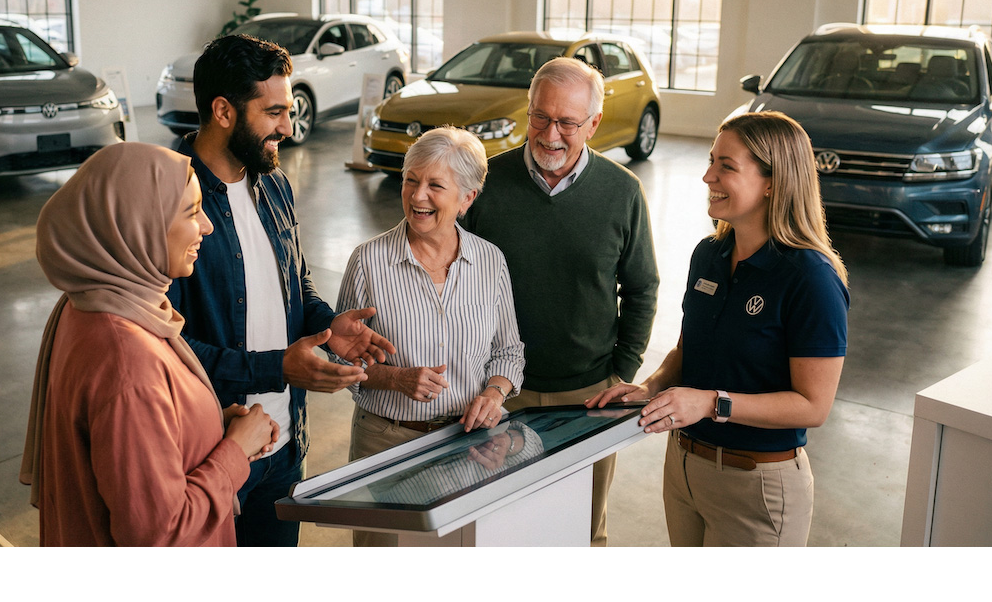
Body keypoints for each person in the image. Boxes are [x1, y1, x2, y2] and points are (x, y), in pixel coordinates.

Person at [168, 33, 394, 547]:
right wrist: (278, 368)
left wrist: (325, 324)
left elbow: (297, 283)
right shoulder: (169, 202)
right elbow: (167, 351)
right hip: (210, 455)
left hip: (284, 448)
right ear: (223, 111)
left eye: (288, 111)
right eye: (273, 113)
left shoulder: (275, 185)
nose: (288, 129)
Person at [586, 110, 850, 547]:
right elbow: (689, 349)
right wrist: (651, 386)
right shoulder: (709, 254)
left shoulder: (811, 278)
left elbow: (812, 406)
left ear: (772, 181)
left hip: (757, 484)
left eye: (726, 166)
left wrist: (712, 403)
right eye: (711, 161)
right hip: (685, 470)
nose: (708, 176)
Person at [19, 142, 276, 546]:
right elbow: (160, 535)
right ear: (138, 224)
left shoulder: (89, 305)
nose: (207, 226)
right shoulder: (128, 361)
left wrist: (205, 426)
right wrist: (234, 451)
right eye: (192, 212)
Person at [463, 56, 659, 547]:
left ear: (593, 123)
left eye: (567, 122)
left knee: (582, 531)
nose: (551, 134)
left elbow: (642, 288)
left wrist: (622, 372)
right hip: (498, 391)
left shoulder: (622, 192)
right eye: (540, 117)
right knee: (499, 526)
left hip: (589, 395)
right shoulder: (486, 182)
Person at [336, 126, 526, 546]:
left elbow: (509, 351)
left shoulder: (490, 262)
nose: (418, 196)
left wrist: (494, 395)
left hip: (467, 447)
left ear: (467, 199)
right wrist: (394, 378)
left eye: (435, 185)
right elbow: (337, 359)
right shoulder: (368, 262)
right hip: (384, 445)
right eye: (410, 180)